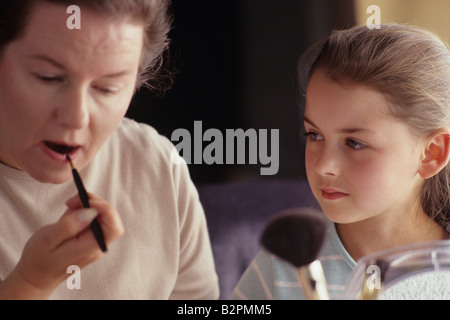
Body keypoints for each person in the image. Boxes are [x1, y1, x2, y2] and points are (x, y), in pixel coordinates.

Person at [0, 0, 219, 299]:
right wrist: (30, 284)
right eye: (48, 77)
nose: (76, 116)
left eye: (107, 88)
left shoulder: (157, 163)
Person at [231, 24, 450, 300]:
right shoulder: (285, 261)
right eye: (314, 135)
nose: (324, 165)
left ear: (432, 153)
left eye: (355, 143)